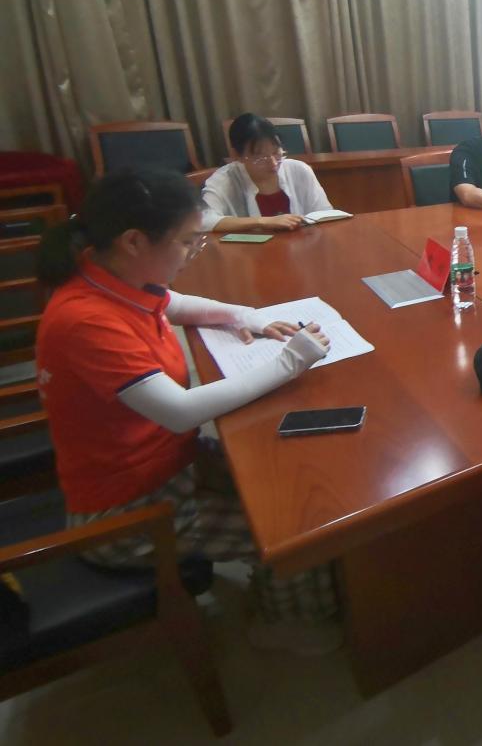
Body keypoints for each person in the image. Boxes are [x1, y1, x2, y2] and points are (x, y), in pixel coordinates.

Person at [35, 169, 341, 655]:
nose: (193, 251)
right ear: (134, 241)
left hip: (167, 461)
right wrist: (289, 362)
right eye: (186, 242)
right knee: (292, 523)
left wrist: (245, 316)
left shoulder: (112, 273)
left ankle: (325, 584)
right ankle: (289, 624)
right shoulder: (86, 320)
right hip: (126, 512)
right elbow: (179, 411)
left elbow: (175, 304)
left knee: (285, 476)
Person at [201, 113, 333, 233]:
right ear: (237, 155)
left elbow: (326, 214)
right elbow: (203, 221)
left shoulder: (299, 170)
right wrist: (262, 221)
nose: (273, 163)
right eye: (260, 158)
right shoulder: (223, 180)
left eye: (276, 152)